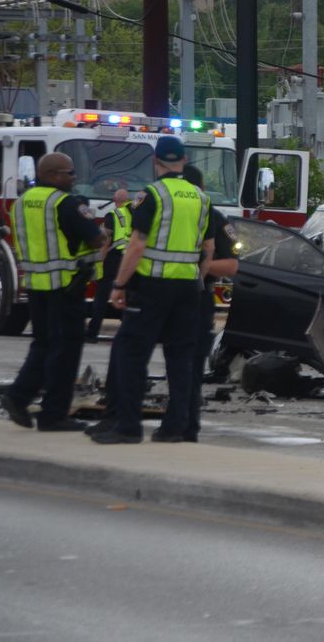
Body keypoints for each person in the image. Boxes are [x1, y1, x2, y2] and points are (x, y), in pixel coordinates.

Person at [91, 136, 214, 445]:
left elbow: (137, 244)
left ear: (156, 163)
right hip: (188, 288)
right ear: (184, 162)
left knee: (132, 354)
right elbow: (205, 248)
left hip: (153, 287)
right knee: (180, 359)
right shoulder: (202, 198)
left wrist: (119, 284)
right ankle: (174, 427)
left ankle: (128, 426)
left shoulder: (151, 196)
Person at [1, 152, 106, 431]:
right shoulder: (64, 203)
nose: (73, 178)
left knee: (43, 344)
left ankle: (18, 396)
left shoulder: (21, 203)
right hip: (65, 286)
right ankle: (53, 415)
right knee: (66, 350)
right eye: (69, 173)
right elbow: (96, 238)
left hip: (37, 285)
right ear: (51, 175)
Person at [181, 163, 239, 442]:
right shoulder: (160, 210)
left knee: (189, 366)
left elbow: (232, 265)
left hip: (197, 298)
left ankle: (185, 425)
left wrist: (200, 266)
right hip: (168, 298)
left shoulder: (214, 218)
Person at [85, 187, 132, 342]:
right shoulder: (136, 214)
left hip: (114, 259)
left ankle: (92, 334)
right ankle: (126, 335)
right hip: (131, 260)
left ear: (115, 200)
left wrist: (100, 260)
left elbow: (106, 242)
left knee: (101, 297)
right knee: (128, 297)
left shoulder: (113, 215)